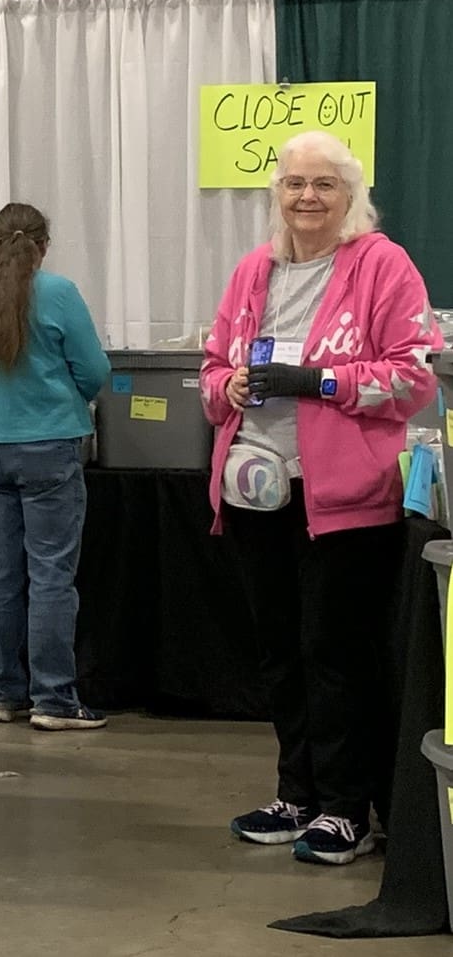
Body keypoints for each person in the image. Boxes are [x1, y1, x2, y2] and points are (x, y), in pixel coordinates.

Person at [202, 131, 440, 866]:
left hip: (343, 499)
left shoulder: (381, 264)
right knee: (278, 653)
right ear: (276, 192)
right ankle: (295, 791)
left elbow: (415, 377)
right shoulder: (251, 271)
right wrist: (229, 386)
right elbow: (211, 371)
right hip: (255, 494)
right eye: (293, 183)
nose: (306, 196)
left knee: (334, 652)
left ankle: (346, 804)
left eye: (323, 185)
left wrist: (324, 382)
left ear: (349, 196)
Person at [0, 202, 110, 732]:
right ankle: (54, 701)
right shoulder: (58, 294)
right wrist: (62, 396)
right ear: (44, 246)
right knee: (52, 574)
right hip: (51, 447)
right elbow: (95, 372)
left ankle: (1, 694)